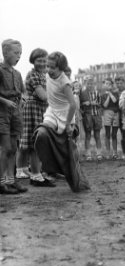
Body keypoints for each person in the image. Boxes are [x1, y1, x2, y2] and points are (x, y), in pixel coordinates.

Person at [33, 51, 89, 192]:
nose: (49, 70)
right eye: (48, 66)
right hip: (52, 113)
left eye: (52, 68)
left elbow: (73, 105)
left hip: (66, 116)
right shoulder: (47, 75)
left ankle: (75, 178)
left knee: (67, 146)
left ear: (61, 69)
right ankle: (50, 169)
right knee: (41, 134)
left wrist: (69, 124)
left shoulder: (65, 83)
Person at [18, 48, 55, 187]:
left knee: (39, 142)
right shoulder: (32, 74)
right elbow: (43, 96)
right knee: (35, 142)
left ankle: (36, 172)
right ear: (33, 61)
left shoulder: (45, 74)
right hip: (34, 108)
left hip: (42, 109)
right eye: (39, 60)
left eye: (44, 60)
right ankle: (35, 175)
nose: (42, 63)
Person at [0, 39, 28, 194]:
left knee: (13, 148)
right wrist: (5, 102)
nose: (19, 56)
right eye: (16, 53)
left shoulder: (17, 74)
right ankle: (1, 181)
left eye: (20, 53)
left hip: (16, 113)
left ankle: (11, 180)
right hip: (3, 113)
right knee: (5, 148)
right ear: (5, 53)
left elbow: (23, 91)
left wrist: (23, 98)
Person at [79, 76, 103, 161]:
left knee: (97, 135)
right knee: (88, 135)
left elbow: (100, 104)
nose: (90, 85)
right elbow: (80, 104)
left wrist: (93, 103)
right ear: (85, 83)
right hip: (88, 116)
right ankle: (88, 153)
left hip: (96, 115)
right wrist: (85, 105)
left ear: (94, 84)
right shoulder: (83, 93)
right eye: (88, 83)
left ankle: (99, 153)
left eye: (91, 83)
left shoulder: (97, 93)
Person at [101, 78, 119, 159]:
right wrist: (108, 95)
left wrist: (110, 93)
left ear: (112, 85)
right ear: (104, 85)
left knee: (114, 134)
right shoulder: (102, 95)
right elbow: (105, 105)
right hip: (107, 113)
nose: (108, 85)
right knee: (107, 134)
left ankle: (115, 152)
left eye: (109, 84)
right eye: (106, 83)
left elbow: (115, 101)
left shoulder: (115, 93)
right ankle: (108, 152)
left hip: (115, 114)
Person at [114, 76, 125, 159]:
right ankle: (124, 152)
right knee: (122, 135)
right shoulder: (115, 93)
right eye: (117, 83)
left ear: (124, 83)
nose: (119, 85)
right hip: (118, 116)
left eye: (121, 83)